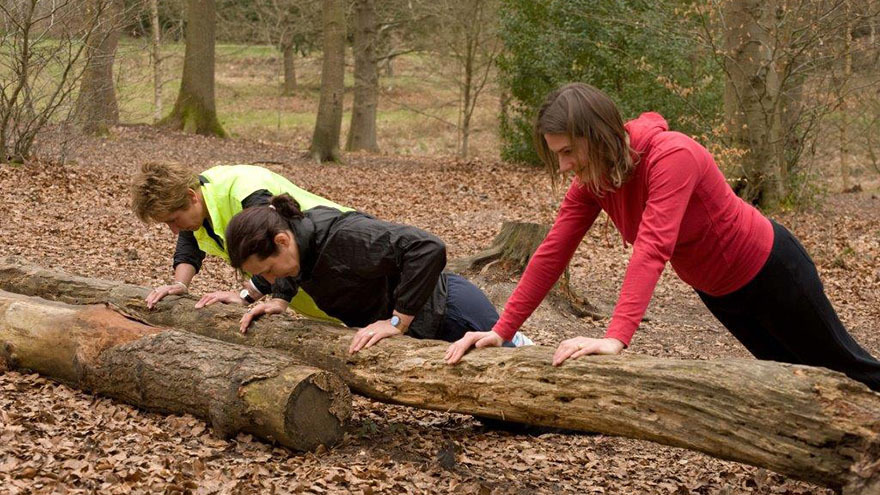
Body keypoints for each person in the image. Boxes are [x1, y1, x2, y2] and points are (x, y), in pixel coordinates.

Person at [444, 82, 880, 391]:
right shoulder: (593, 180)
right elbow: (551, 253)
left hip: (772, 270)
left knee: (846, 369)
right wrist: (502, 330)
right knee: (796, 379)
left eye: (567, 152)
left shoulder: (673, 155)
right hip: (718, 291)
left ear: (598, 137)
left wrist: (615, 337)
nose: (563, 166)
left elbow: (653, 247)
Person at [223, 193, 533, 353]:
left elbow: (428, 247)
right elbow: (300, 267)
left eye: (268, 270)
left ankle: (529, 346)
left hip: (451, 311)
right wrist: (280, 299)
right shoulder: (299, 243)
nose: (271, 279)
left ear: (281, 240)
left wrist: (397, 322)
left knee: (526, 408)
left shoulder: (346, 237)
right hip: (430, 324)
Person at [131, 162, 349, 323]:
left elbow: (281, 245)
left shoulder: (245, 191)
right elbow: (190, 241)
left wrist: (249, 296)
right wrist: (179, 284)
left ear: (191, 196)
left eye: (173, 220)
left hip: (345, 265)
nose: (174, 229)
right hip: (319, 295)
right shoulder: (200, 200)